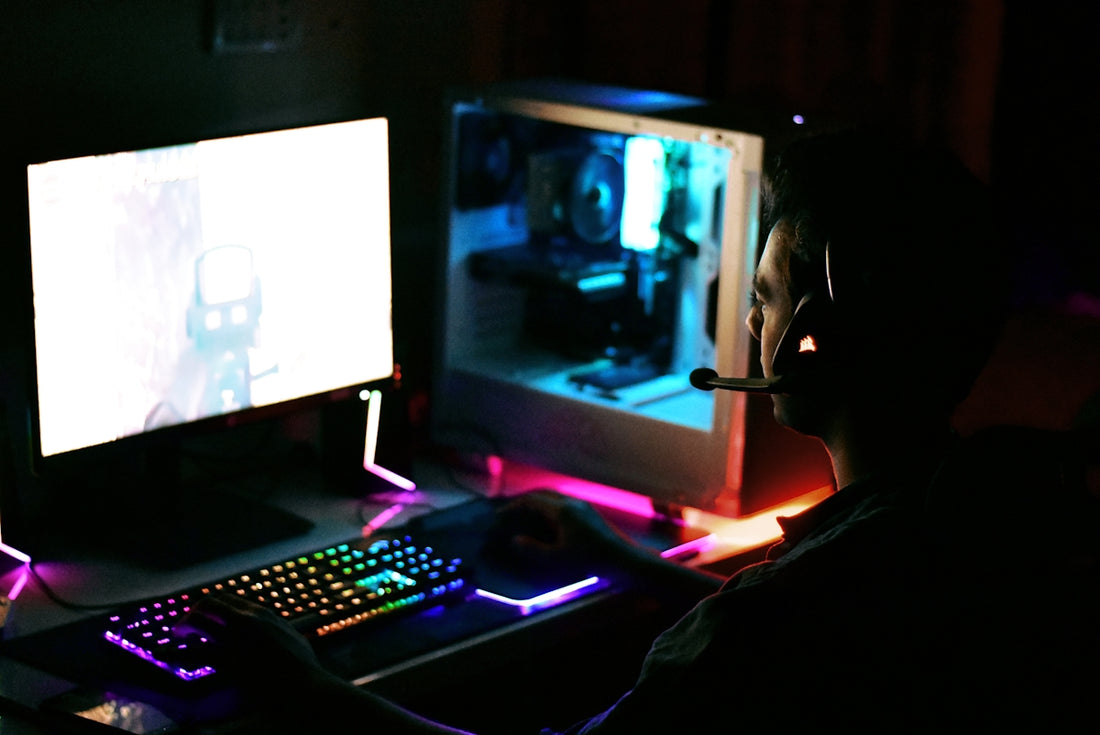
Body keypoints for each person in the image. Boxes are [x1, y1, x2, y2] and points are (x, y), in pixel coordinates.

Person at [183, 130, 1098, 732]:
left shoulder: (766, 627)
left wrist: (309, 689)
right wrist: (625, 558)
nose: (749, 326)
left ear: (811, 338)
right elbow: (817, 607)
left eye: (763, 300)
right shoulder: (984, 519)